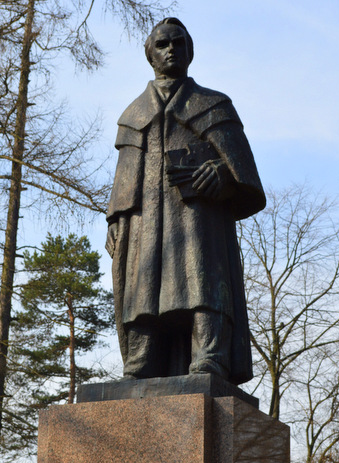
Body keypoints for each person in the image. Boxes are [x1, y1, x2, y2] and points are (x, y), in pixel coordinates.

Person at [106, 17, 265, 385]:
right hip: (144, 220)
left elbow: (246, 177)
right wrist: (115, 220)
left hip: (197, 219)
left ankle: (209, 356)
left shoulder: (213, 105)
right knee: (141, 287)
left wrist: (222, 174)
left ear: (190, 52)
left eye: (178, 43)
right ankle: (141, 360)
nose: (170, 50)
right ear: (150, 54)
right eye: (162, 44)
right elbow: (124, 180)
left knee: (202, 281)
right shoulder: (133, 115)